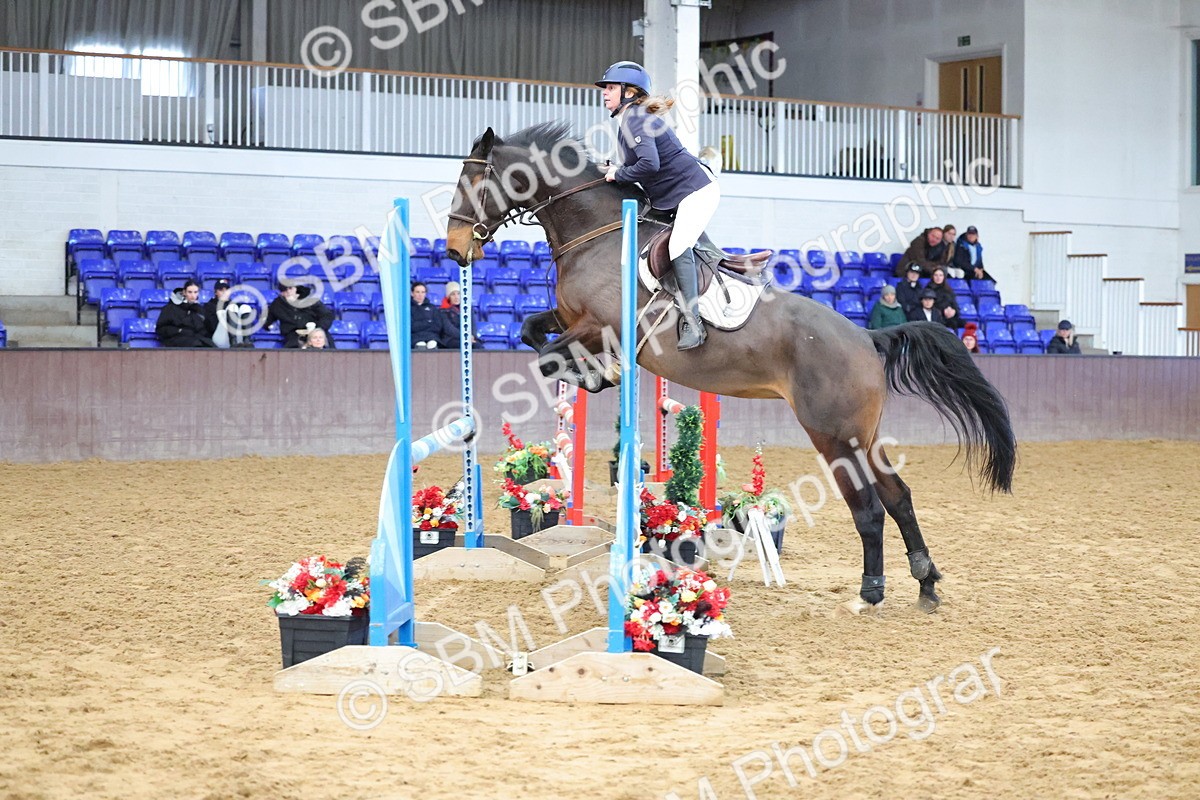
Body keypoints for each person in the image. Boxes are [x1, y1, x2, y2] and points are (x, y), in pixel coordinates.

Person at [598, 60, 716, 350]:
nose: (605, 93)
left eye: (611, 88)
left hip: (695, 192)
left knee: (677, 247)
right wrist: (615, 169)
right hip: (674, 196)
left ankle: (694, 323)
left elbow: (650, 164)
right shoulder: (630, 119)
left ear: (629, 92)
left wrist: (619, 173)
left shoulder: (635, 118)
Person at [266, 283, 335, 348]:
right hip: (293, 334)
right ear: (281, 293)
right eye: (285, 290)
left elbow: (327, 315)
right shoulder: (277, 305)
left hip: (315, 330)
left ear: (295, 288)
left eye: (290, 288)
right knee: (292, 350)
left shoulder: (310, 300)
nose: (288, 292)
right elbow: (267, 319)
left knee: (325, 343)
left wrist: (318, 328)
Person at [156, 280, 214, 347]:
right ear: (184, 292)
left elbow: (205, 329)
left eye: (195, 292)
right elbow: (160, 329)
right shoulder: (170, 308)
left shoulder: (200, 310)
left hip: (197, 340)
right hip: (175, 341)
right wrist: (179, 331)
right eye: (190, 292)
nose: (193, 295)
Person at [202, 279, 252, 348]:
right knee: (232, 308)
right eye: (221, 290)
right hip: (218, 337)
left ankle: (247, 341)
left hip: (238, 337)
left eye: (227, 290)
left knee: (245, 307)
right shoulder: (209, 306)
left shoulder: (235, 304)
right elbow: (212, 327)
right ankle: (233, 342)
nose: (224, 292)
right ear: (215, 292)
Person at [410, 282, 450, 349]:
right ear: (412, 293)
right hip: (415, 337)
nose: (420, 295)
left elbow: (438, 326)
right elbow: (411, 327)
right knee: (420, 345)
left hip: (432, 337)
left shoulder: (432, 308)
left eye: (423, 292)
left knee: (432, 344)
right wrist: (428, 322)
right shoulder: (408, 308)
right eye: (417, 292)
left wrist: (421, 324)